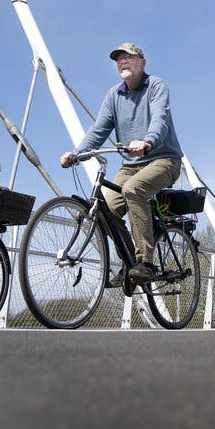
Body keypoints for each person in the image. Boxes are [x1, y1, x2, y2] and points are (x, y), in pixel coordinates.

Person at [60, 42, 184, 285]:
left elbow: (160, 117)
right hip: (131, 166)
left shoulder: (156, 86)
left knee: (132, 190)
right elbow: (99, 128)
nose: (123, 62)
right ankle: (130, 263)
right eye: (119, 59)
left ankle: (145, 262)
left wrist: (148, 141)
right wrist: (77, 153)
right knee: (106, 208)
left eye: (129, 57)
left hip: (163, 159)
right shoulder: (114, 94)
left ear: (142, 62)